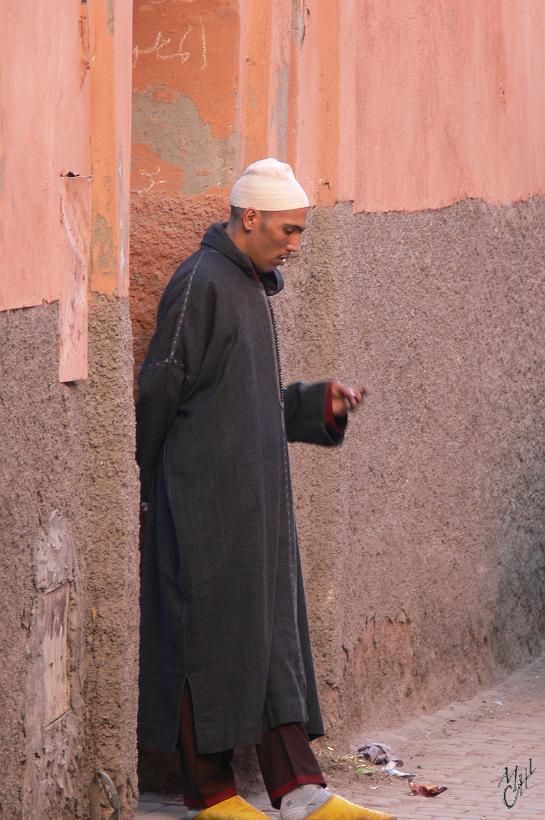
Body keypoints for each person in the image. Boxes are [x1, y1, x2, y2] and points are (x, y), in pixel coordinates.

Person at [136, 158, 395, 820]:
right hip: (201, 504)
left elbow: (246, 401)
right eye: (288, 229)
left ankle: (300, 790)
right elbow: (162, 388)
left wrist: (319, 405)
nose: (295, 244)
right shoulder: (199, 283)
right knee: (205, 641)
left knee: (274, 640)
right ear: (248, 217)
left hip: (256, 507)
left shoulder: (251, 286)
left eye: (302, 232)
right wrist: (145, 480)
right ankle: (211, 793)